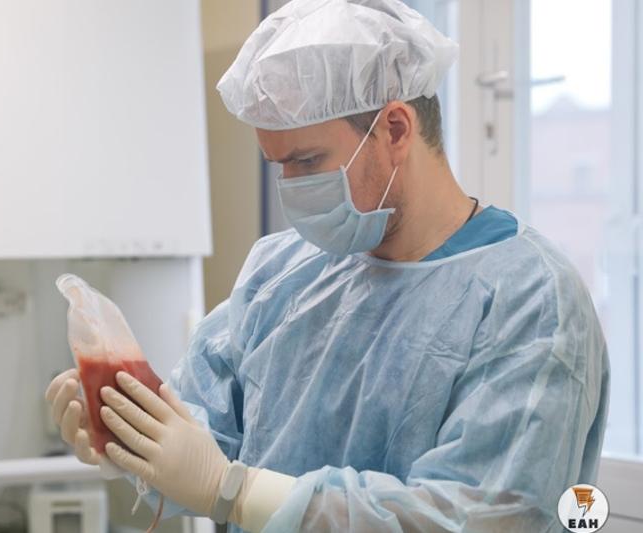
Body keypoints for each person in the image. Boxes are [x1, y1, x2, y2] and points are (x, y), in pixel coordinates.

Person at [45, 0, 609, 531]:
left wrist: (234, 490)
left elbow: (479, 515)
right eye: (278, 166)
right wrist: (127, 432)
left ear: (395, 129)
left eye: (308, 160)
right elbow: (199, 432)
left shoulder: (530, 298)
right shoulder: (280, 271)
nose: (292, 188)